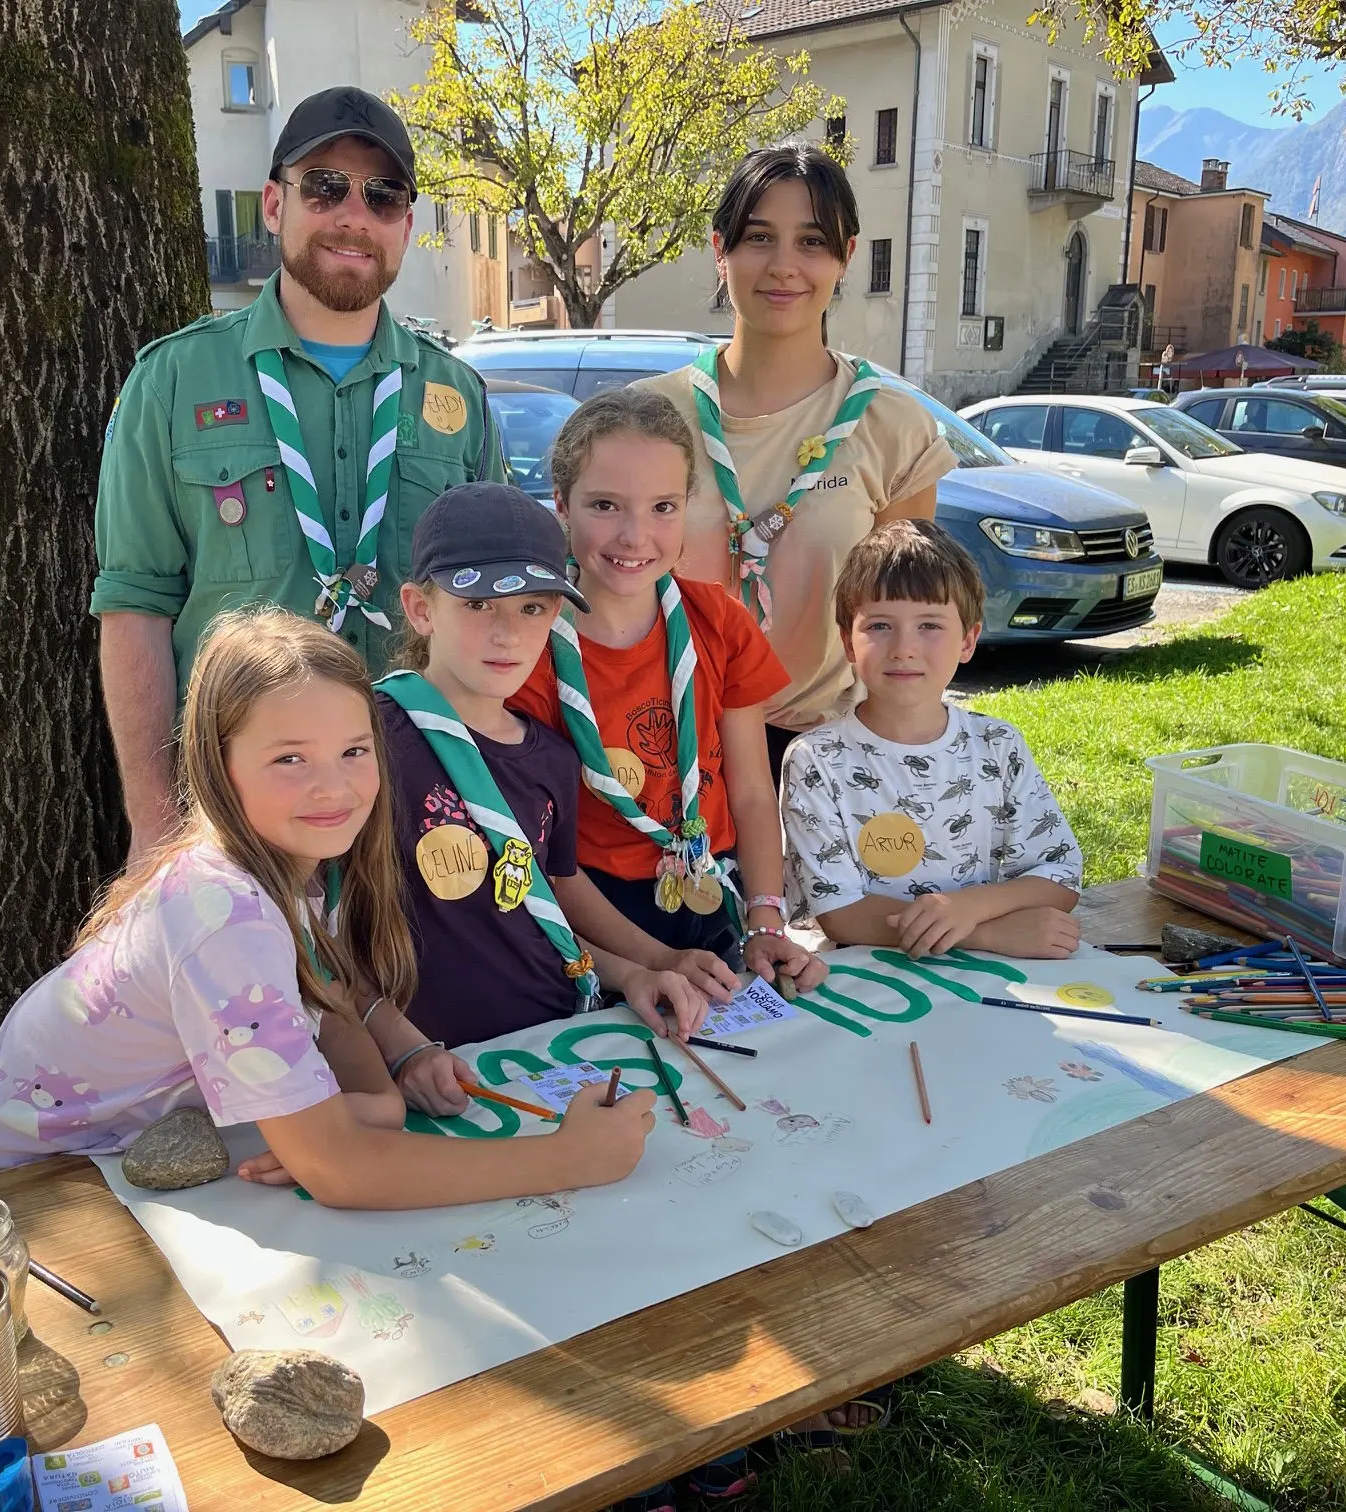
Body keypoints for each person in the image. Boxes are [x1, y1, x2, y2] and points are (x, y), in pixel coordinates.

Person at [0, 609, 655, 1205]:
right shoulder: (221, 913)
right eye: (289, 758)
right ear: (218, 762)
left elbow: (334, 1002)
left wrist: (383, 1092)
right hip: (13, 1201)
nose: (333, 788)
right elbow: (343, 1172)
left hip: (120, 1172)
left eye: (354, 752)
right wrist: (566, 1159)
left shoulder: (294, 870)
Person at [92, 86, 506, 864]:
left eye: (383, 196)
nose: (354, 214)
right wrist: (155, 829)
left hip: (421, 808)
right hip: (239, 817)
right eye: (326, 186)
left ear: (406, 227)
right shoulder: (172, 383)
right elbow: (135, 611)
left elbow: (500, 610)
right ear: (275, 204)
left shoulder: (457, 395)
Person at [364, 482, 741, 1118]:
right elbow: (319, 923)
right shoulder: (366, 740)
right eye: (479, 604)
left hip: (557, 1038)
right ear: (419, 609)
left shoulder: (551, 756)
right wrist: (399, 1047)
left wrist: (641, 970)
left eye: (533, 609)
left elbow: (558, 888)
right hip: (441, 1060)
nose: (508, 633)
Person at [635, 145, 957, 783]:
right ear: (720, 249)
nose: (784, 266)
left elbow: (903, 617)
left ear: (846, 257)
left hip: (830, 753)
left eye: (812, 242)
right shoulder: (646, 417)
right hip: (665, 739)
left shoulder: (893, 427)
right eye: (759, 238)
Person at [508, 389, 826, 999]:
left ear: (687, 510)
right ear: (561, 506)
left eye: (662, 507)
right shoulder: (528, 649)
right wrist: (652, 960)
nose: (635, 535)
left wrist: (764, 918)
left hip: (711, 892)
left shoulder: (720, 622)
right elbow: (542, 855)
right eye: (605, 505)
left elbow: (754, 791)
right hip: (596, 920)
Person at [781, 521, 1084, 958]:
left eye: (929, 625)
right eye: (881, 626)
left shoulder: (999, 746)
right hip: (863, 985)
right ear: (848, 641)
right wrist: (983, 932)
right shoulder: (816, 760)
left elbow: (1060, 875)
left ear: (968, 640)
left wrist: (969, 906)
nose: (904, 647)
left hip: (983, 985)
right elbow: (840, 913)